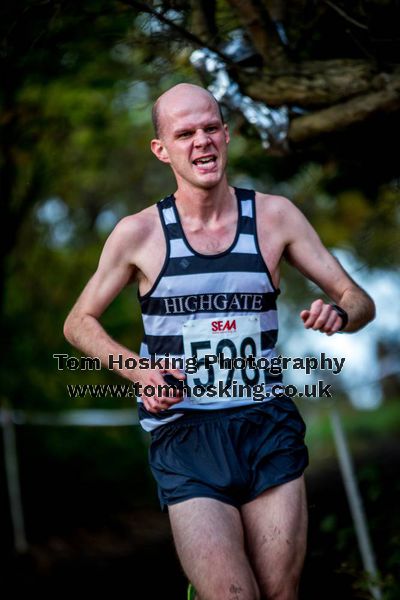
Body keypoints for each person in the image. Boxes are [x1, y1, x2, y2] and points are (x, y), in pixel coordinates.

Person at [63, 83, 375, 600]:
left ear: (227, 135)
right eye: (184, 133)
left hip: (266, 425)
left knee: (279, 592)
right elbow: (78, 322)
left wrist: (340, 310)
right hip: (185, 434)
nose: (201, 142)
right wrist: (138, 371)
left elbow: (358, 298)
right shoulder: (139, 233)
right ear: (161, 149)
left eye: (210, 128)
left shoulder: (275, 217)